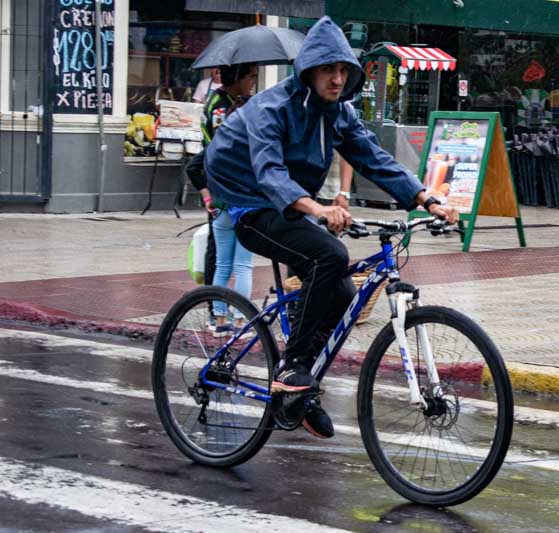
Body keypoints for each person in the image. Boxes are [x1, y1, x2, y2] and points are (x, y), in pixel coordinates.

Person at [205, 17, 457, 439]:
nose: (337, 79)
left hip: (290, 202)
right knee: (330, 255)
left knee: (342, 289)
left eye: (344, 71)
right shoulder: (272, 108)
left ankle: (300, 395)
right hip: (248, 202)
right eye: (328, 70)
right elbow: (269, 173)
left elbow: (373, 158)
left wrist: (426, 198)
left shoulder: (338, 113)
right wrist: (318, 209)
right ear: (308, 71)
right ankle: (292, 371)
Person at [186, 63, 258, 336]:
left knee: (222, 264)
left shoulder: (221, 109)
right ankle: (240, 321)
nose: (253, 80)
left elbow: (194, 166)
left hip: (220, 203)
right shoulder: (224, 111)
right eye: (251, 75)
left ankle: (218, 320)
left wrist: (207, 196)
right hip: (243, 205)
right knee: (242, 265)